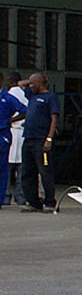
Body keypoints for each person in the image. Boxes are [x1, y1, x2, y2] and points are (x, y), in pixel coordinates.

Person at [18, 73, 60, 213]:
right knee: (27, 172)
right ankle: (34, 202)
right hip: (28, 138)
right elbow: (20, 84)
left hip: (41, 140)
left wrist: (49, 138)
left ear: (40, 84)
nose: (29, 86)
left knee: (45, 171)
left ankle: (49, 202)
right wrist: (31, 81)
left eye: (33, 84)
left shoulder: (51, 97)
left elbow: (54, 119)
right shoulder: (32, 95)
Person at [0, 75, 24, 209]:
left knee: (4, 168)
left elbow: (24, 110)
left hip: (3, 134)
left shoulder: (9, 97)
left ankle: (3, 197)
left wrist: (10, 120)